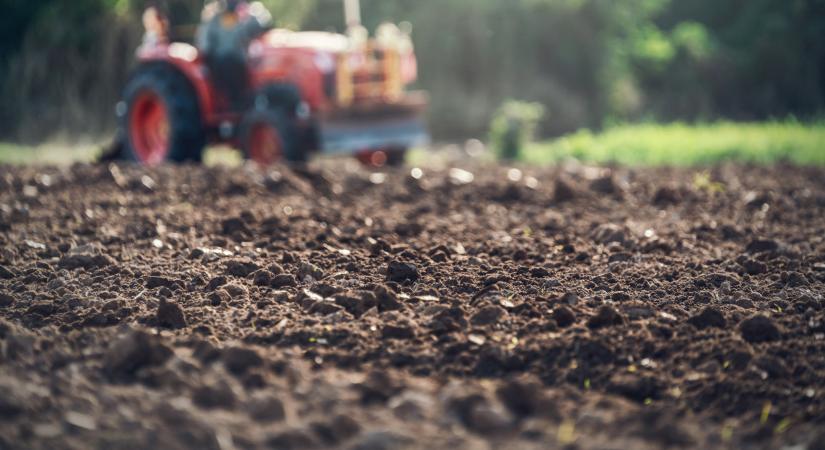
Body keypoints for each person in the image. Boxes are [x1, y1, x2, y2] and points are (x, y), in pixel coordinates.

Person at [196, 0, 272, 110]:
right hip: (219, 63)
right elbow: (205, 44)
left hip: (240, 62)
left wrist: (254, 12)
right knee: (229, 64)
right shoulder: (212, 19)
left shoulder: (243, 18)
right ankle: (235, 102)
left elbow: (260, 26)